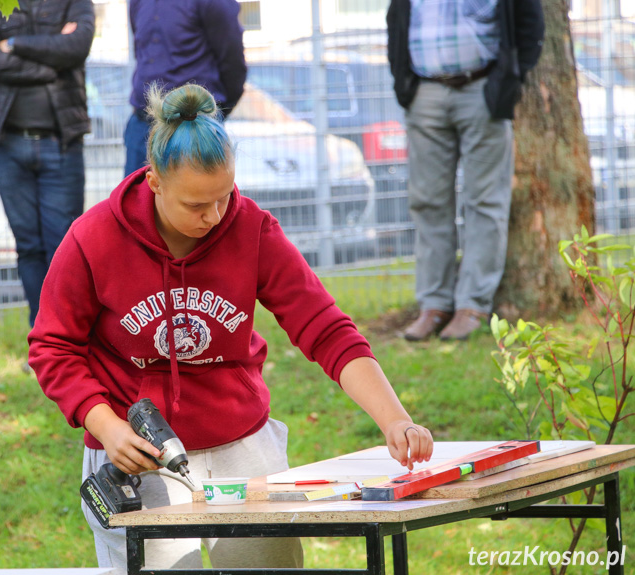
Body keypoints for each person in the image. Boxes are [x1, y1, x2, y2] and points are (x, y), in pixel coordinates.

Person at [28, 84, 434, 571]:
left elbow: (325, 328)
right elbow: (53, 347)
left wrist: (395, 419)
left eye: (223, 197)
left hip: (240, 442)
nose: (213, 216)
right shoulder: (93, 238)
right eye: (195, 205)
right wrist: (106, 425)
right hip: (137, 453)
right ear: (154, 181)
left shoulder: (250, 228)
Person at [387, 0, 544, 341]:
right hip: (424, 91)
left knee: (485, 202)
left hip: (483, 89)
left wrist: (510, 80)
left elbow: (529, 21)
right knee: (428, 202)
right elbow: (396, 19)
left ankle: (471, 306)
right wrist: (404, 83)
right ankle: (434, 305)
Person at [0, 0, 95, 328]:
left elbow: (77, 47)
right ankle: (42, 339)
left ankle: (69, 339)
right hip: (7, 144)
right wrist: (52, 63)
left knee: (65, 248)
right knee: (28, 248)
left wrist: (14, 45)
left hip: (61, 142)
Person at [123, 0, 246, 176]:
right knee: (134, 201)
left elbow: (232, 62)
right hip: (143, 124)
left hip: (194, 127)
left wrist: (213, 113)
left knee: (200, 200)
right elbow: (141, 52)